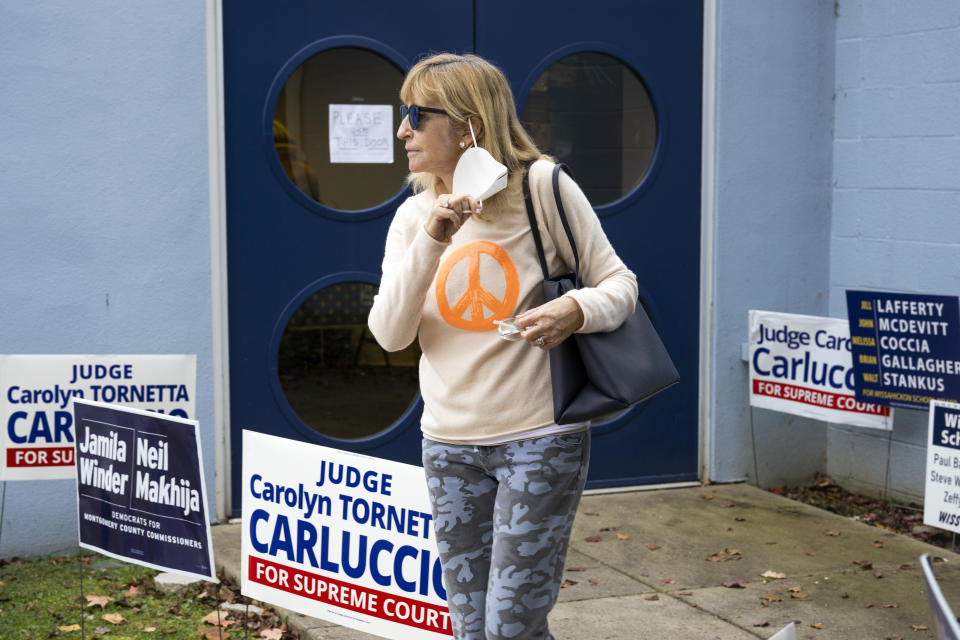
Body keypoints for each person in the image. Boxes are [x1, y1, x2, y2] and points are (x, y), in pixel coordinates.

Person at [368, 53, 637, 640]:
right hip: (448, 446)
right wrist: (433, 241)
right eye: (402, 113)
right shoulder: (414, 217)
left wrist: (575, 308)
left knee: (511, 624)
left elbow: (620, 286)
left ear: (469, 125)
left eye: (416, 114)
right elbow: (390, 334)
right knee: (471, 626)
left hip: (539, 440)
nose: (402, 130)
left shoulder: (544, 188)